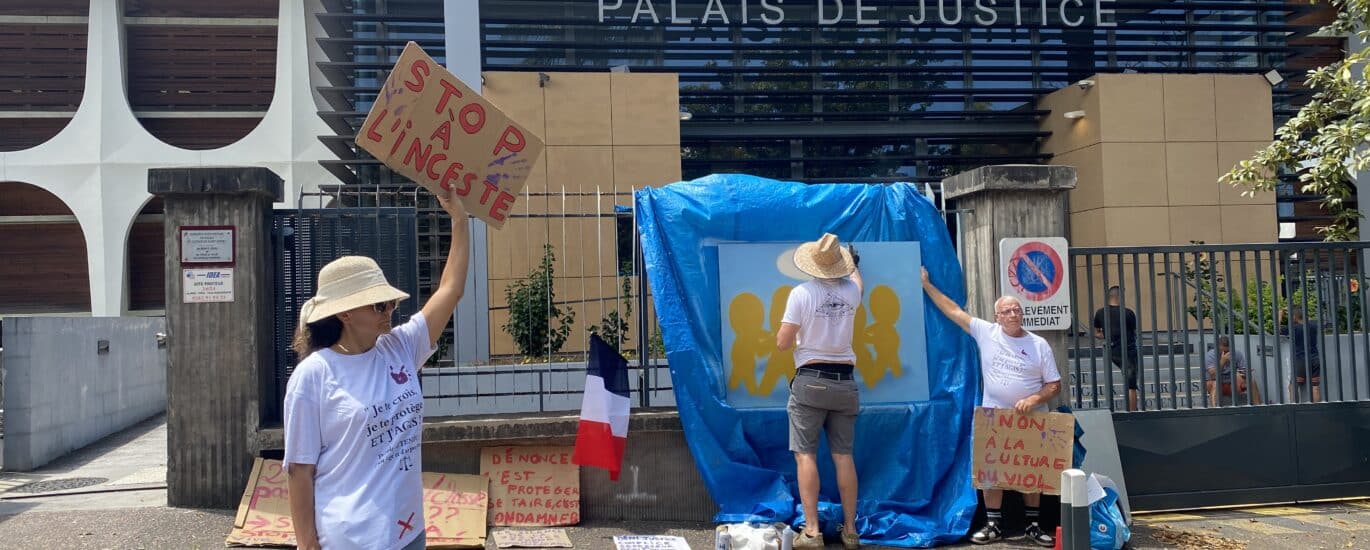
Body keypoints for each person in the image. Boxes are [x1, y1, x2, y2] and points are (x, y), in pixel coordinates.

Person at [284, 188, 470, 550]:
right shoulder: (313, 376)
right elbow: (299, 470)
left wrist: (459, 218)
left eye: (389, 303)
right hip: (350, 539)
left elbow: (451, 290)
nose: (390, 310)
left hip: (409, 532)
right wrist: (307, 545)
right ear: (344, 313)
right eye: (379, 305)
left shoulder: (399, 347)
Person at [921, 268, 1060, 547]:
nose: (1013, 315)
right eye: (1006, 311)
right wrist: (926, 284)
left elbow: (1054, 384)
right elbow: (953, 311)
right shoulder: (987, 332)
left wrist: (1033, 400)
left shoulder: (1039, 345)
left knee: (1030, 472)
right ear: (997, 316)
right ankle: (994, 524)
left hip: (1031, 419)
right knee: (991, 472)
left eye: (1016, 310)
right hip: (995, 418)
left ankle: (1033, 525)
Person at [776, 233, 864, 550]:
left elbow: (783, 342)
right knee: (844, 457)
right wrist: (854, 265)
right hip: (845, 382)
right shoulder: (852, 292)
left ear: (812, 263)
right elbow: (858, 281)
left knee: (805, 455)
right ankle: (851, 531)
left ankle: (812, 531)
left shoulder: (801, 293)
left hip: (811, 379)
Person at [1091, 286, 1140, 411]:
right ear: (1120, 296)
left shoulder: (1100, 312)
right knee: (1131, 385)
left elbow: (1096, 333)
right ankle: (1133, 413)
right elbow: (1135, 332)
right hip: (1128, 350)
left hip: (1112, 351)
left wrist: (1108, 335)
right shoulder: (1128, 313)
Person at [1204, 336, 1261, 406]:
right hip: (1214, 383)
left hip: (1231, 384)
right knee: (1215, 384)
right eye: (1223, 351)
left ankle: (1258, 406)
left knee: (1251, 381)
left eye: (1228, 351)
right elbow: (1213, 375)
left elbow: (1242, 369)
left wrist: (1245, 372)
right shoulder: (1210, 355)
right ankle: (1215, 410)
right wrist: (1222, 361)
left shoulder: (1237, 353)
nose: (1226, 353)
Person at [1282, 306, 1322, 403]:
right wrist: (1298, 312)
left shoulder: (1294, 328)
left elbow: (1277, 330)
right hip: (1315, 359)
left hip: (1300, 360)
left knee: (1293, 387)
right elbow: (1310, 320)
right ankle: (1317, 409)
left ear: (1294, 317)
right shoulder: (1314, 325)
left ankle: (1295, 408)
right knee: (1315, 387)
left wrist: (1280, 315)